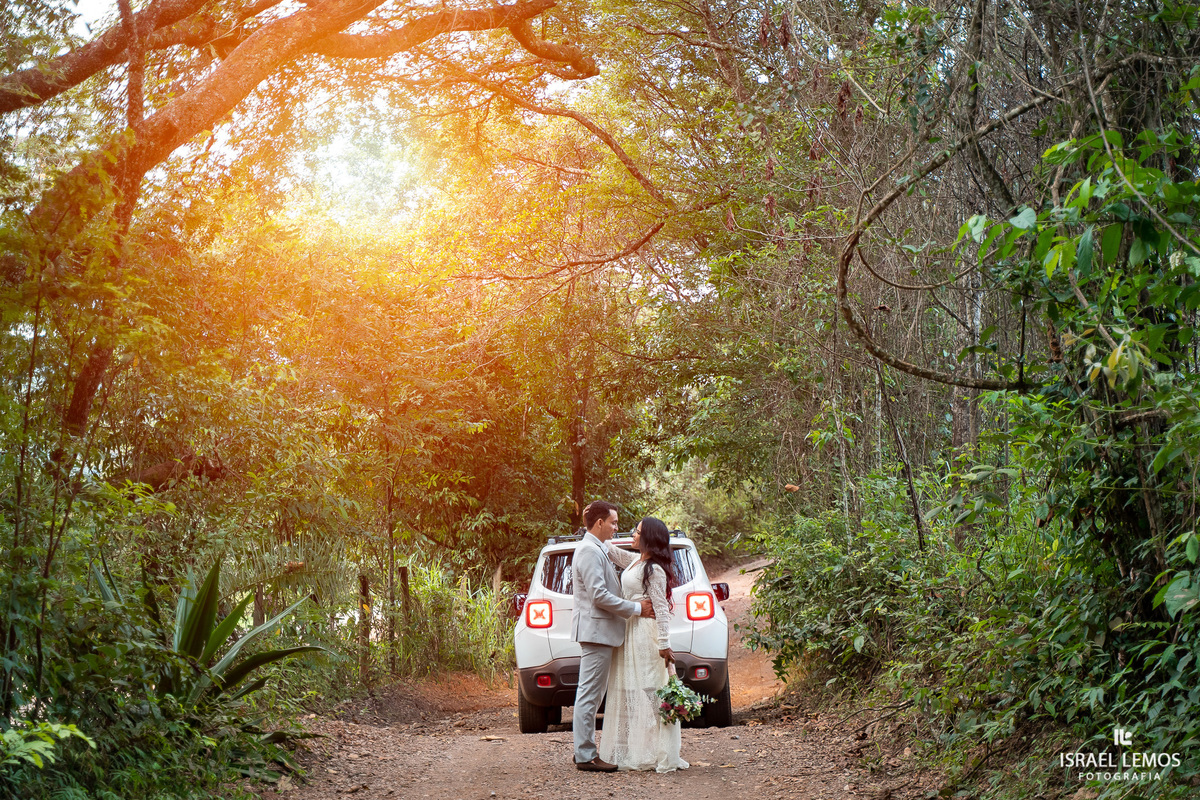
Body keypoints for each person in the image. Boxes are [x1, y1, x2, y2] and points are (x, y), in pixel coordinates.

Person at [597, 515, 689, 773]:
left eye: (637, 532)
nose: (633, 536)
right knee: (634, 690)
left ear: (648, 538)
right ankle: (643, 749)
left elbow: (660, 608)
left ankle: (666, 753)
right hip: (630, 631)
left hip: (646, 635)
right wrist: (596, 533)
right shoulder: (637, 561)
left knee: (651, 691)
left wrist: (664, 643)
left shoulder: (654, 570)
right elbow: (615, 554)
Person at [571, 501, 656, 772]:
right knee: (589, 695)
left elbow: (630, 559)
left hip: (601, 632)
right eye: (613, 523)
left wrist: (655, 557)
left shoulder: (599, 547)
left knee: (593, 696)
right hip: (597, 632)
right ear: (600, 523)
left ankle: (583, 751)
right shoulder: (588, 551)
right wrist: (635, 609)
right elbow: (598, 595)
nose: (617, 527)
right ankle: (585, 756)